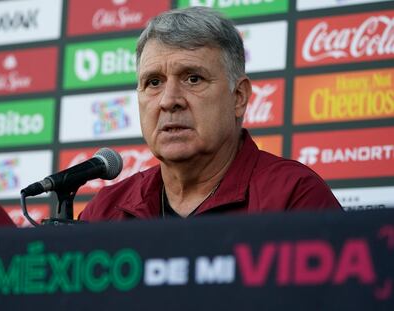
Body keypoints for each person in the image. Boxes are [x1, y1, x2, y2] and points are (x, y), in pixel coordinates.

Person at [80, 6, 341, 221]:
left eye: (193, 79)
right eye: (154, 82)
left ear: (239, 97)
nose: (169, 101)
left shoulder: (294, 198)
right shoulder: (104, 213)